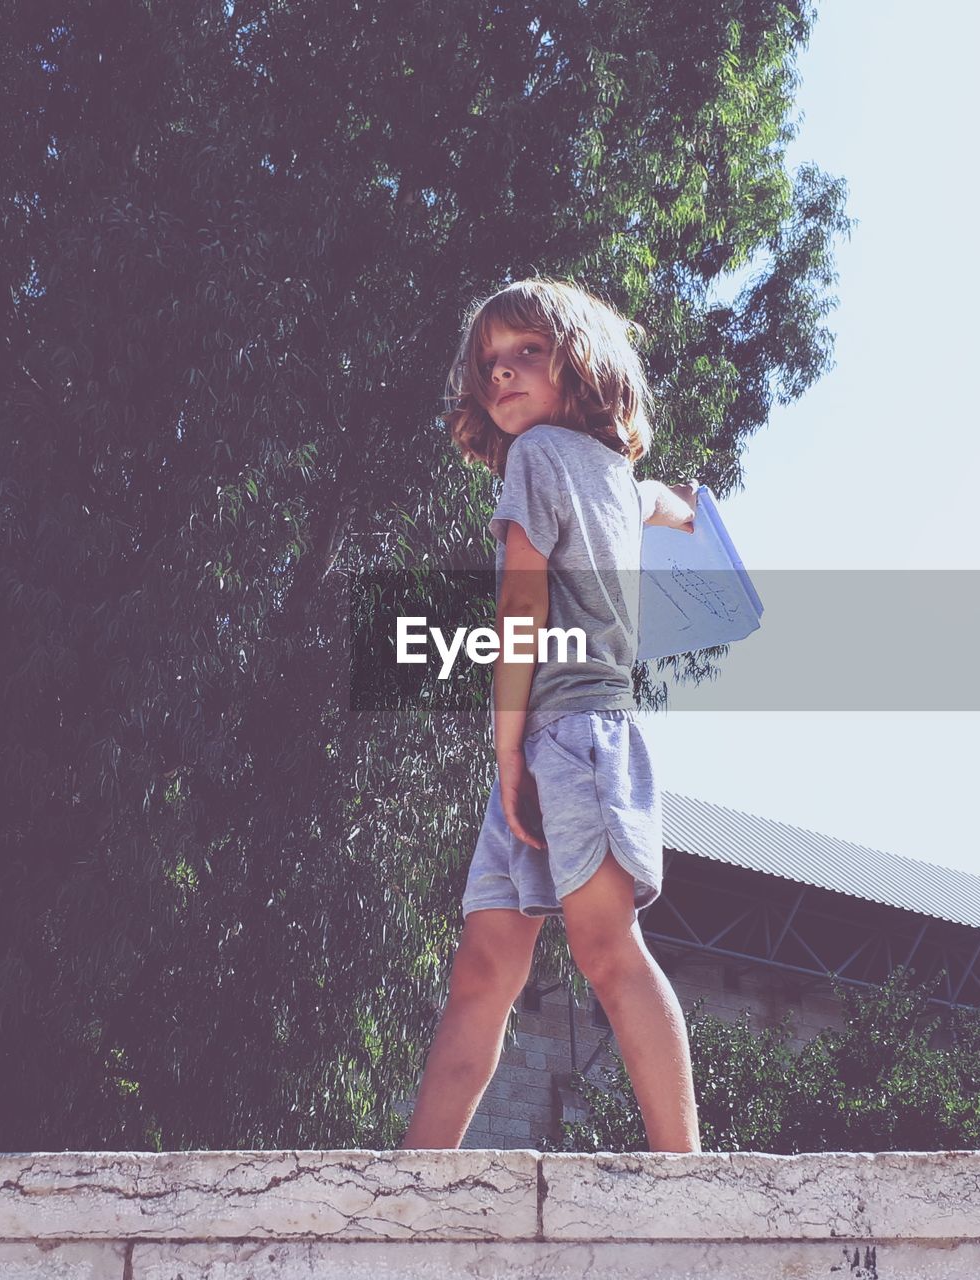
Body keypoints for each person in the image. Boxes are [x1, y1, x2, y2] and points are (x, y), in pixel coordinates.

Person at [399, 276, 701, 1153]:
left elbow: (519, 615)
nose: (503, 373)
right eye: (491, 361)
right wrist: (693, 512)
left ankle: (689, 1178)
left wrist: (506, 757)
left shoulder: (536, 461)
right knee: (487, 967)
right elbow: (663, 503)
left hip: (558, 742)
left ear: (583, 368)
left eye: (529, 350)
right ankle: (414, 1180)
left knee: (603, 950)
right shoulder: (617, 477)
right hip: (581, 739)